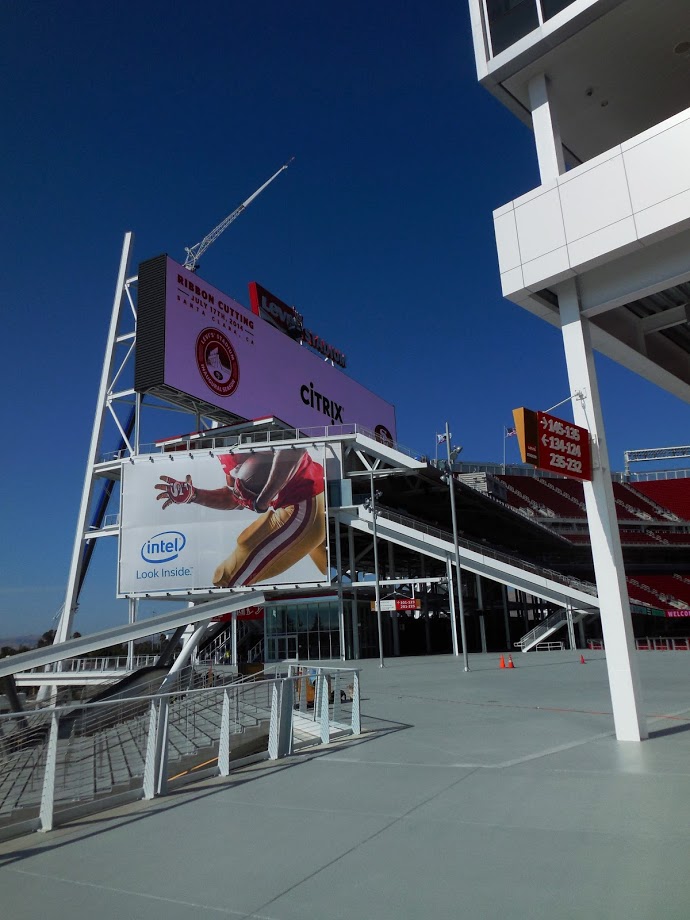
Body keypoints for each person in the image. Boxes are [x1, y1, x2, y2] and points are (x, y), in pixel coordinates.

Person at [154, 447, 327, 588]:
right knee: (329, 569)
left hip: (302, 504)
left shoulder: (249, 419)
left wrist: (262, 500)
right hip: (299, 502)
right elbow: (234, 498)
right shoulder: (227, 446)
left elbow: (292, 449)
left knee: (227, 579)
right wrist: (195, 495)